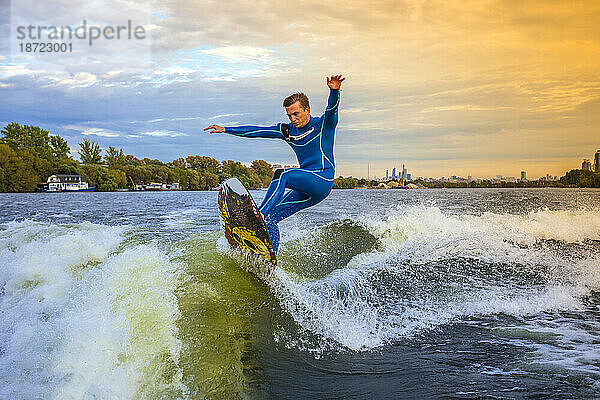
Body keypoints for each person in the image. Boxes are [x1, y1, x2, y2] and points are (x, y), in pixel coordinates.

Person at [205, 74, 345, 252]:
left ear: (307, 110)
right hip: (306, 188)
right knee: (272, 218)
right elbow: (257, 131)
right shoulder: (287, 130)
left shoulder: (323, 125)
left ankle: (258, 215)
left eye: (296, 114)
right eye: (289, 115)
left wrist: (334, 91)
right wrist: (226, 129)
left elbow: (332, 109)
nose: (293, 119)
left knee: (282, 174)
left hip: (322, 180)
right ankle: (269, 262)